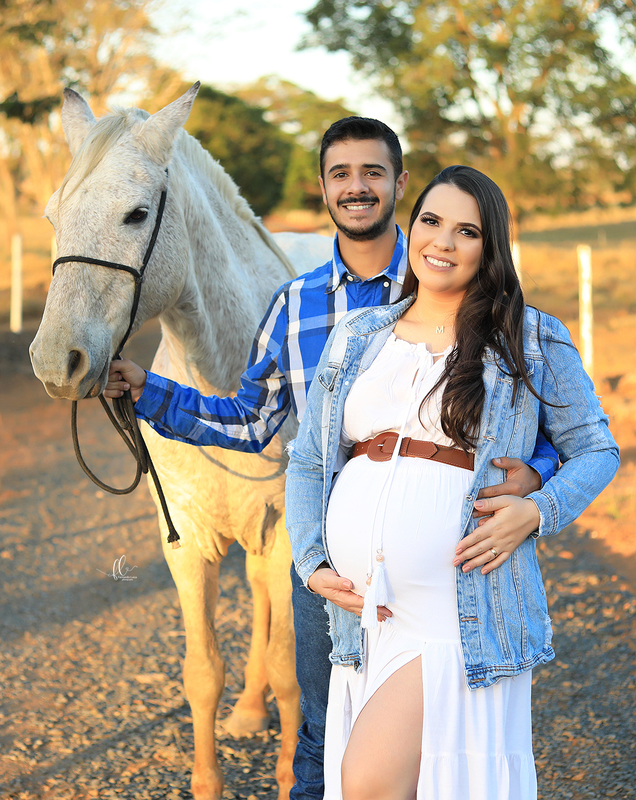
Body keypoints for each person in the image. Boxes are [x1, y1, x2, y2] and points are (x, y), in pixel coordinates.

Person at [103, 119, 560, 800]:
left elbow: (555, 427)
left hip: (447, 567)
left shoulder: (460, 288)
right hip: (330, 563)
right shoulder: (294, 305)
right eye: (341, 173)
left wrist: (538, 481)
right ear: (323, 189)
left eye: (373, 172)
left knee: (447, 746)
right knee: (325, 732)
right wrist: (151, 394)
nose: (357, 186)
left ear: (401, 186)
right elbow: (254, 418)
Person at [285, 165, 620, 800]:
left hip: (454, 609)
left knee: (368, 783)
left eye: (467, 231)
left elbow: (597, 450)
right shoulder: (360, 334)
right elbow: (307, 460)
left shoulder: (532, 337)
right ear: (411, 227)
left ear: (490, 248)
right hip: (364, 611)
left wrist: (538, 511)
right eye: (431, 222)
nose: (443, 242)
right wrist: (309, 558)